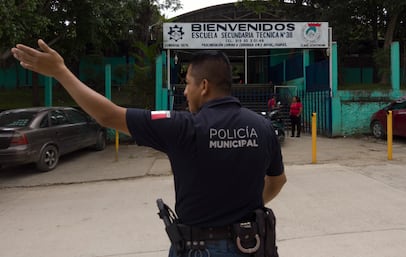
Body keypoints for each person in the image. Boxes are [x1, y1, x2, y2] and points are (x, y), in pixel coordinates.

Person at [11, 40, 286, 257]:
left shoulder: (182, 126)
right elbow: (277, 180)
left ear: (204, 86)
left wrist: (61, 71)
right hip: (252, 245)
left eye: (188, 84)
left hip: (199, 248)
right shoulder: (262, 126)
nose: (184, 91)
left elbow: (108, 116)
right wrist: (243, 208)